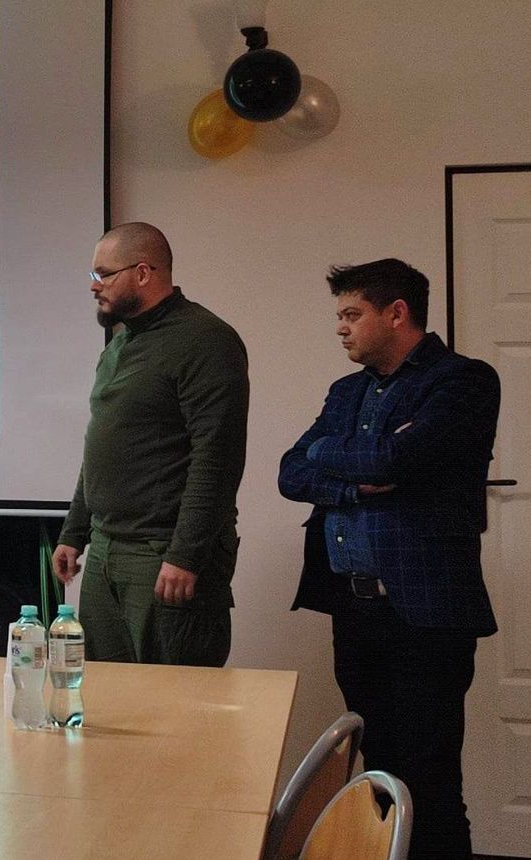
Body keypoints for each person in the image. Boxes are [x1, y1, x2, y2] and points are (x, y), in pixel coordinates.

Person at [278, 258, 499, 859]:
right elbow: (290, 471)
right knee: (377, 772)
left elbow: (395, 463)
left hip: (426, 614)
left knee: (430, 779)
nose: (341, 329)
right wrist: (349, 476)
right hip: (355, 610)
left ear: (397, 313)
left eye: (352, 314)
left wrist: (346, 458)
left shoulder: (463, 381)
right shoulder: (345, 392)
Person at [51, 222, 249, 667]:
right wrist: (75, 531)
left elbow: (216, 458)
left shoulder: (205, 340)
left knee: (175, 710)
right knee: (108, 700)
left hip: (162, 556)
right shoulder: (120, 345)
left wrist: (186, 555)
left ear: (143, 273)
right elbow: (103, 446)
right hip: (106, 553)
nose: (93, 286)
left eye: (103, 274)